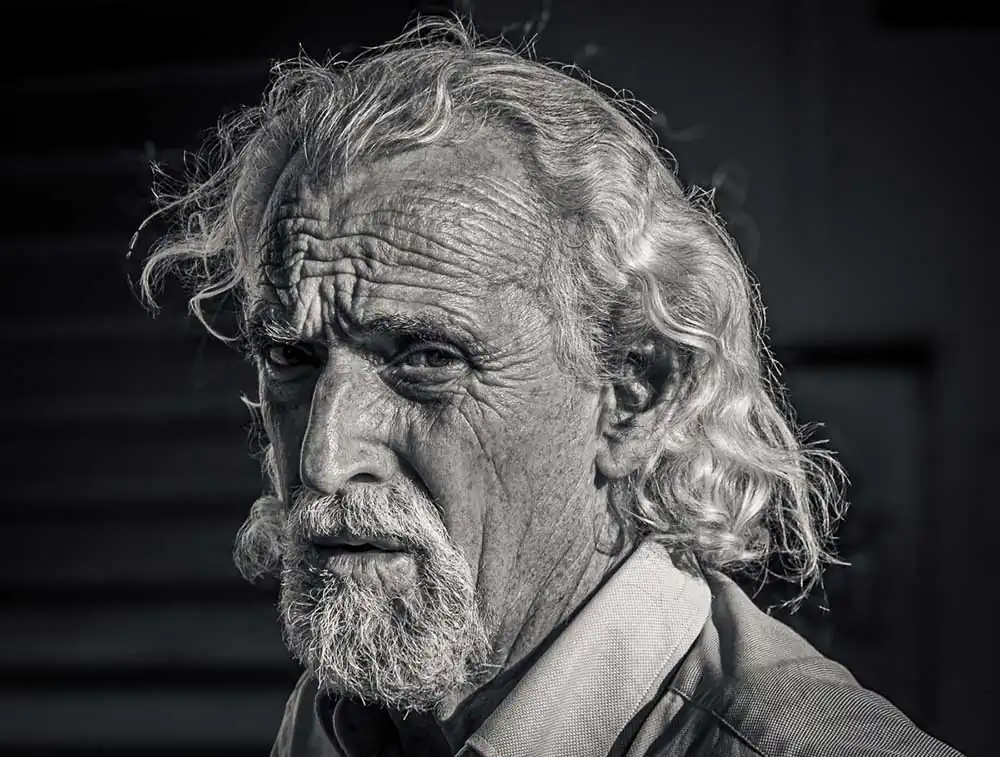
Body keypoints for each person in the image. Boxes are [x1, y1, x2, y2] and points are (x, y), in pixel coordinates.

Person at [133, 15, 965, 757]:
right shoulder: (339, 721)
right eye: (291, 357)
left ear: (635, 394)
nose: (322, 458)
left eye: (427, 358)